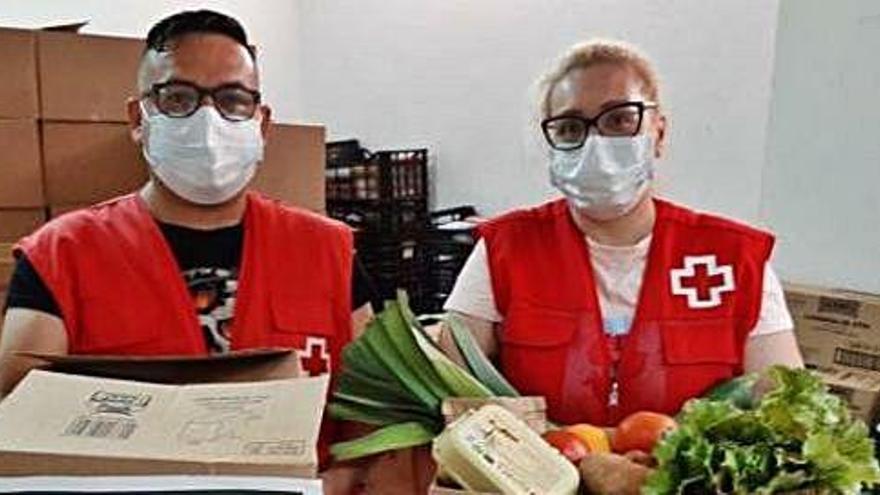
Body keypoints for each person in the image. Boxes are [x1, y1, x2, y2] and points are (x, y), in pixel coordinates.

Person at [0, 10, 374, 492]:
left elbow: (376, 412)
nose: (207, 119)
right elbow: (21, 419)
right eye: (178, 98)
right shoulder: (62, 255)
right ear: (139, 119)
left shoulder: (329, 251)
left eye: (232, 100)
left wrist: (348, 477)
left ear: (261, 124)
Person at [443, 39, 803, 427]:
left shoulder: (734, 258)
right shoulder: (505, 249)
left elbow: (787, 407)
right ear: (552, 144)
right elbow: (450, 393)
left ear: (658, 133)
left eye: (618, 120)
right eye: (569, 127)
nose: (596, 143)